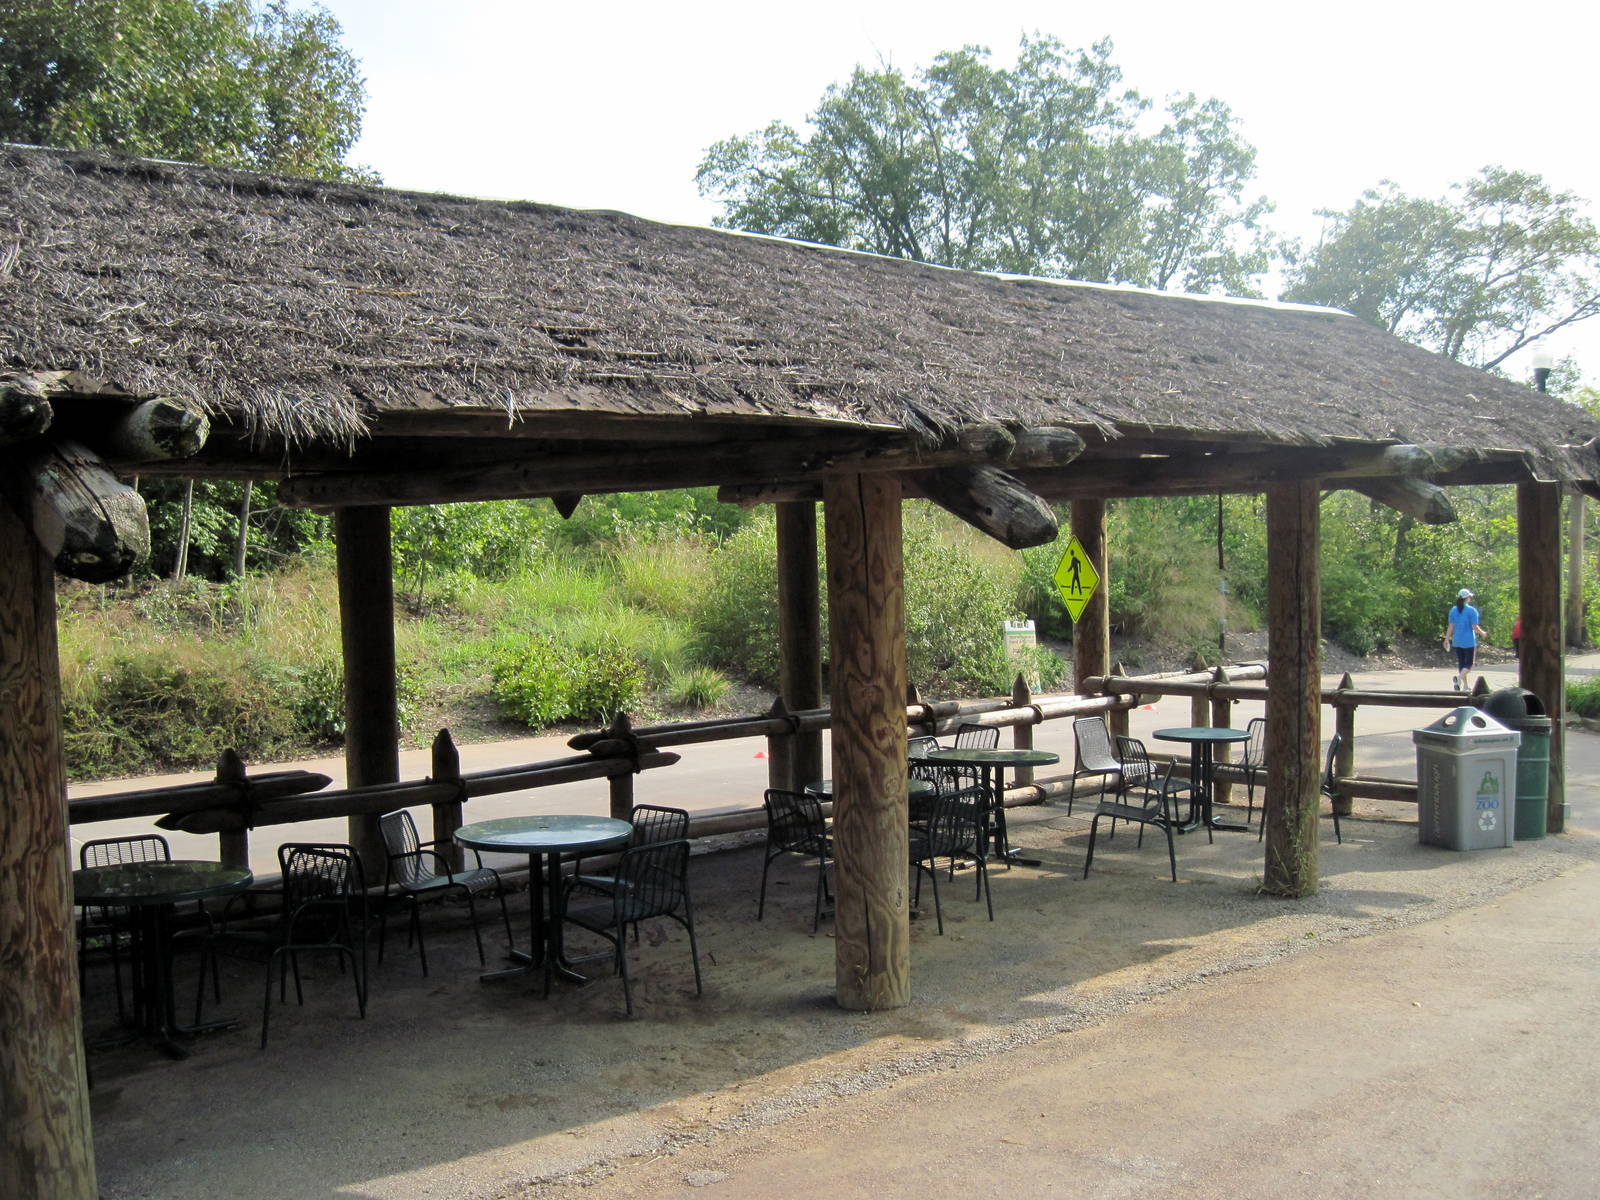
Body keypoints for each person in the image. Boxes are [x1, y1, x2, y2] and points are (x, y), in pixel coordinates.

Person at [1444, 587, 1486, 692]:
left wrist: (1446, 639)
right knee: (1470, 664)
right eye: (1469, 597)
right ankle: (1458, 679)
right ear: (1467, 598)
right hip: (1468, 641)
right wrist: (1482, 633)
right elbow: (1474, 627)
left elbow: (1451, 626)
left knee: (1462, 664)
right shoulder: (1472, 611)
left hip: (1457, 640)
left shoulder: (1453, 610)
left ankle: (1465, 686)